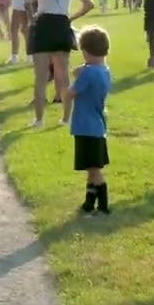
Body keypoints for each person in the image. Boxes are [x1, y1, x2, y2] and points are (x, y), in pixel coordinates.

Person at [27, 0, 96, 127]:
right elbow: (89, 4)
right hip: (62, 26)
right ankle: (66, 118)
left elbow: (28, 2)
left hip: (44, 26)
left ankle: (39, 120)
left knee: (40, 78)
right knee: (64, 76)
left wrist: (32, 19)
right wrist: (71, 17)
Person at [66, 27, 113, 214]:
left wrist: (68, 81)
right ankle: (89, 202)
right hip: (97, 126)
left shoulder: (88, 73)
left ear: (85, 51)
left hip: (85, 127)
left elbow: (70, 93)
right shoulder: (104, 71)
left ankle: (103, 205)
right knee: (91, 169)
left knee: (94, 170)